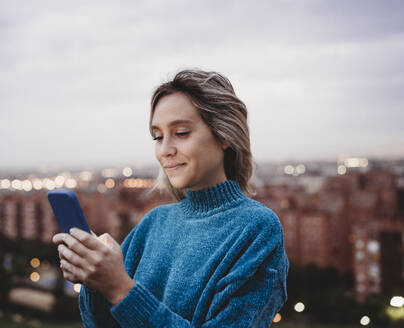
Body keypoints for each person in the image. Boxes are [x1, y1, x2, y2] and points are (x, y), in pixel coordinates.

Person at [52, 69, 289, 327]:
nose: (165, 150)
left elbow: (123, 294)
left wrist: (120, 288)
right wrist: (95, 281)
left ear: (224, 135)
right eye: (157, 136)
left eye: (182, 133)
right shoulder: (154, 222)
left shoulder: (257, 229)